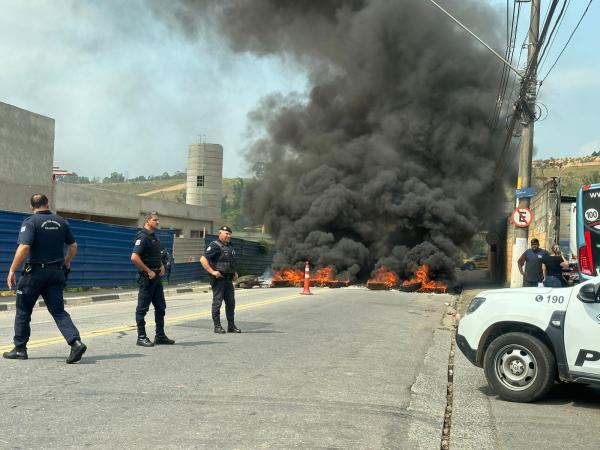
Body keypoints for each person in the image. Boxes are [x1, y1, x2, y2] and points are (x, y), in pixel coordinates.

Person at [3, 193, 87, 363]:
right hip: (56, 273)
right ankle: (75, 342)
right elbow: (73, 246)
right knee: (58, 311)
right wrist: (67, 262)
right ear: (47, 204)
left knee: (23, 310)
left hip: (34, 274)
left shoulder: (31, 222)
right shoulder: (62, 222)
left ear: (31, 207)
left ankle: (20, 349)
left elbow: (24, 247)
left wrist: (12, 270)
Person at [130, 212, 175, 347]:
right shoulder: (142, 237)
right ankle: (141, 337)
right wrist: (148, 270)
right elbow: (134, 257)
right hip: (147, 278)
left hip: (156, 278)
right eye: (155, 220)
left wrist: (161, 266)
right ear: (147, 221)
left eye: (158, 220)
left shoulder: (154, 237)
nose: (157, 222)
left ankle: (160, 336)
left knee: (161, 307)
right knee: (142, 308)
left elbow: (157, 255)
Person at [200, 226, 241, 334]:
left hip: (228, 280)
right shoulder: (214, 245)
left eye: (229, 234)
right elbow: (203, 260)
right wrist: (212, 272)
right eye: (226, 233)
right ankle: (217, 326)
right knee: (217, 303)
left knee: (231, 303)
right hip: (219, 280)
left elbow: (230, 262)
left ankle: (231, 326)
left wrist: (235, 272)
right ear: (220, 233)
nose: (228, 236)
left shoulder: (230, 246)